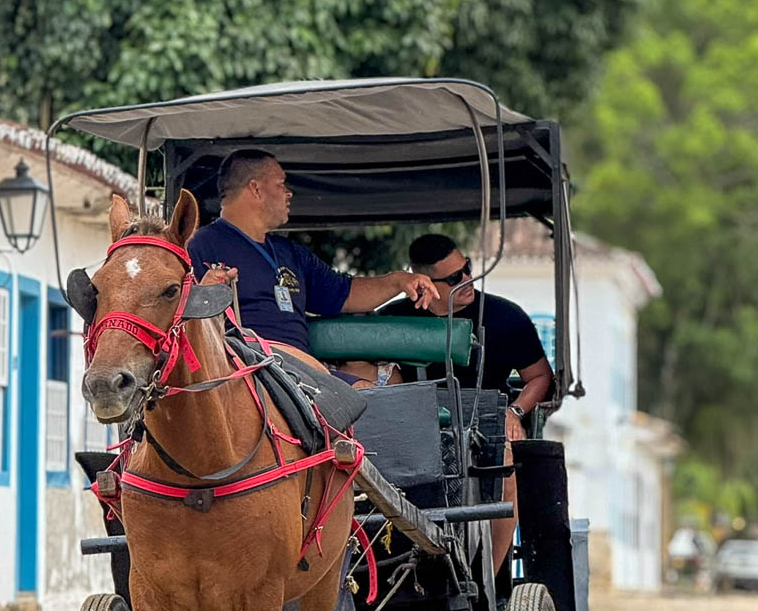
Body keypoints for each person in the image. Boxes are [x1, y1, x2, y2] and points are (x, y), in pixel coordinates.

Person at [383, 233, 554, 577]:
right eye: (453, 278)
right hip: (413, 423)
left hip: (487, 419)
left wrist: (515, 412)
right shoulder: (392, 320)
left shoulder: (507, 317)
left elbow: (540, 377)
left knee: (505, 468)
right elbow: (368, 371)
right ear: (424, 284)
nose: (467, 280)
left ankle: (486, 576)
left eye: (468, 269)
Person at [187, 149, 438, 363]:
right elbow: (175, 320)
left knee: (365, 393)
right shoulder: (200, 245)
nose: (289, 193)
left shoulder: (290, 252)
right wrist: (203, 296)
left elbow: (346, 294)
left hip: (300, 373)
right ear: (256, 189)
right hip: (244, 371)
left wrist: (398, 281)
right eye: (281, 184)